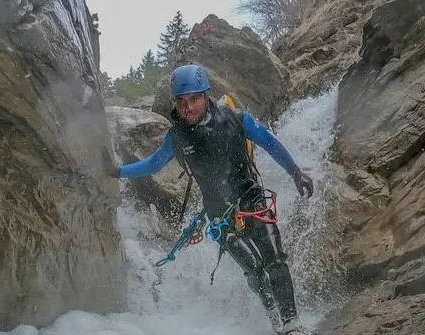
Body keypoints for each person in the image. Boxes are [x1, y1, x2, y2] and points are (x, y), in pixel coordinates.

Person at [100, 64, 313, 335]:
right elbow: (152, 164)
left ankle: (293, 325)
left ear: (205, 95)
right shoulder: (176, 137)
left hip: (253, 201)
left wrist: (296, 172)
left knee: (275, 260)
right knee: (254, 270)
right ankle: (274, 316)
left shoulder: (237, 119)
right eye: (181, 101)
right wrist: (117, 172)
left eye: (193, 99)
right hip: (220, 216)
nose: (187, 107)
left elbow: (269, 143)